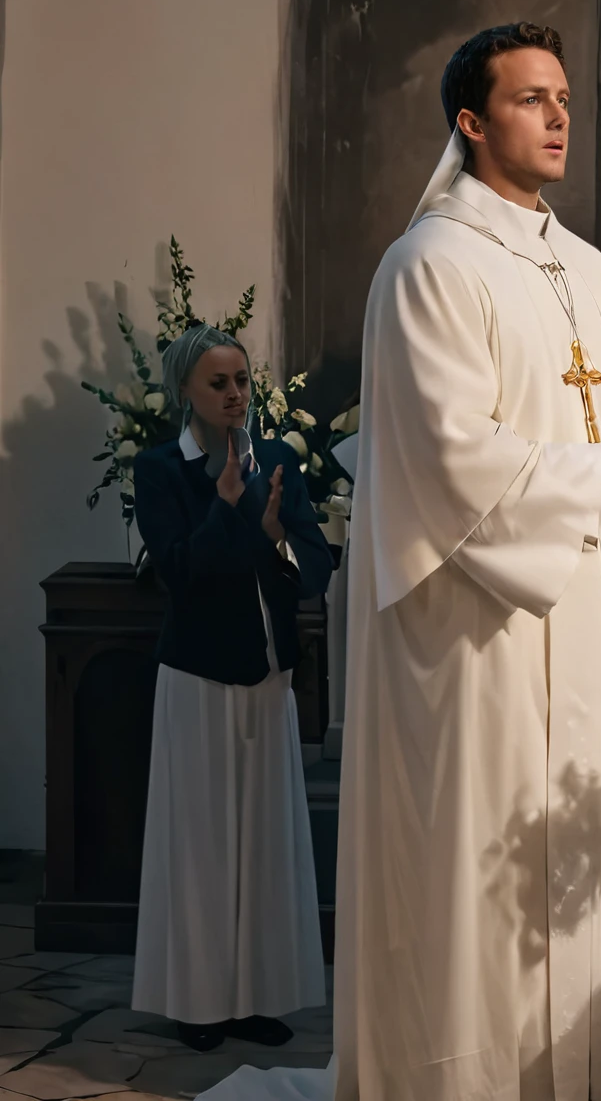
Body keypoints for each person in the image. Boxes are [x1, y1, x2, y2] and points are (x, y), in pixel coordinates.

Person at [335, 22, 601, 1101]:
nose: (557, 116)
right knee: (489, 855)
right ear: (469, 121)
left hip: (589, 609)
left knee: (588, 842)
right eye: (529, 99)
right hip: (485, 629)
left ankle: (599, 1068)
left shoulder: (582, 265)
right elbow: (448, 457)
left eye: (562, 97)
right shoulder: (428, 266)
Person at [131, 325, 332, 1053]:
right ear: (186, 389)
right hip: (197, 677)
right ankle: (199, 1001)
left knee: (264, 844)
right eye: (218, 383)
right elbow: (179, 574)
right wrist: (223, 507)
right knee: (203, 845)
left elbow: (314, 563)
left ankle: (255, 998)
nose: (235, 394)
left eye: (242, 380)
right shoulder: (161, 471)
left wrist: (276, 534)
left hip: (268, 675)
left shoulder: (277, 460)